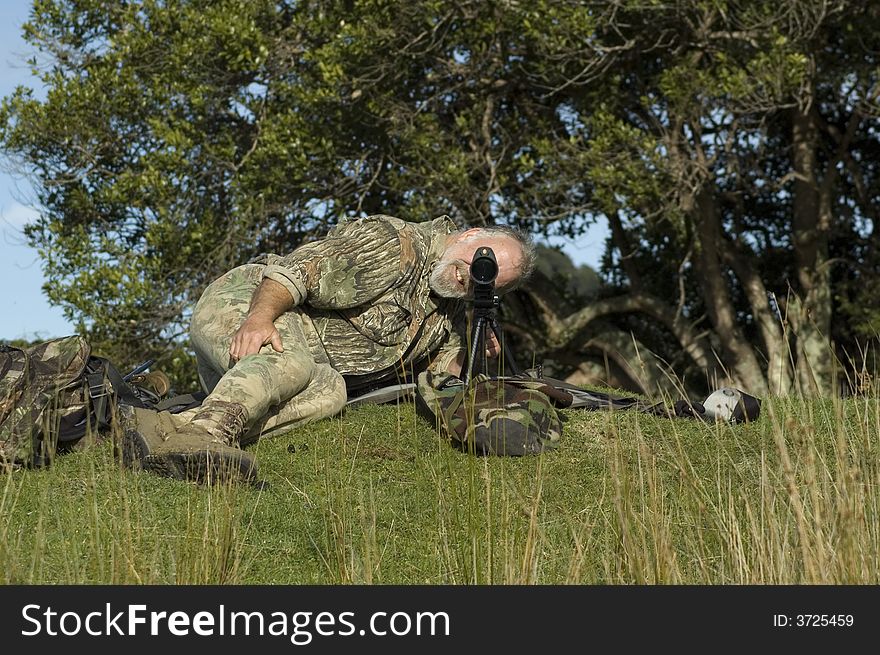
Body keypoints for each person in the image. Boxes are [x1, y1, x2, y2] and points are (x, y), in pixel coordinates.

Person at [119, 214, 536, 483]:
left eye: (490, 279)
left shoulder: (449, 310)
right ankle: (203, 435)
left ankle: (166, 431)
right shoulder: (396, 244)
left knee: (331, 393)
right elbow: (298, 269)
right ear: (470, 235)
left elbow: (435, 373)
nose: (473, 277)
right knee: (295, 361)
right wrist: (258, 318)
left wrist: (475, 355)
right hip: (248, 302)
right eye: (482, 260)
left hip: (270, 375)